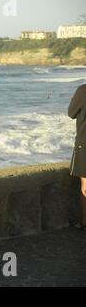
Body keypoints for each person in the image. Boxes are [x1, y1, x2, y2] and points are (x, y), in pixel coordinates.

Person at [68, 83, 86, 230]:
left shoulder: (83, 90)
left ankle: (85, 221)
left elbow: (71, 113)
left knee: (85, 187)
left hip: (84, 143)